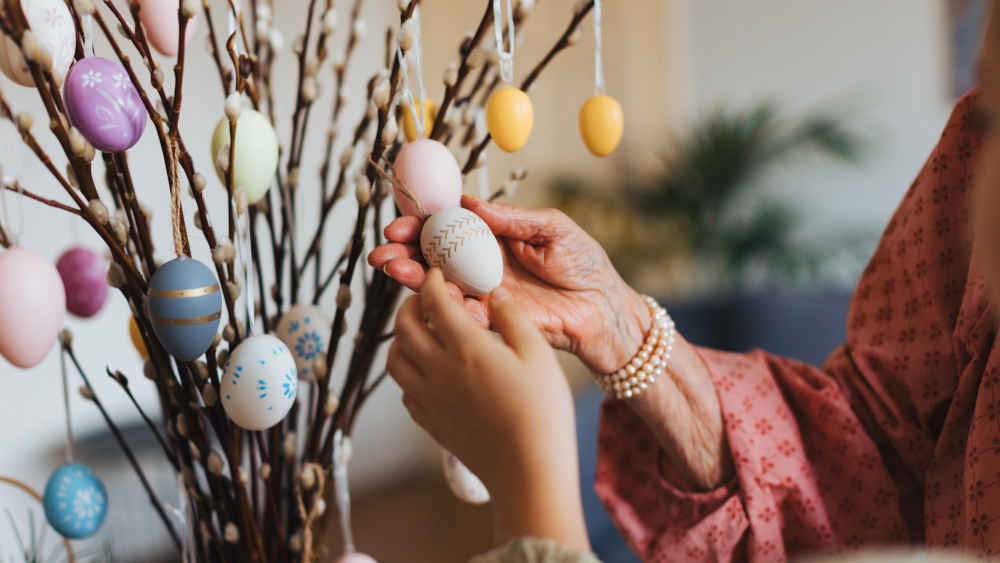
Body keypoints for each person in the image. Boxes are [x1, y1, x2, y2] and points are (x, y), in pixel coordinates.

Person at [369, 6, 1000, 562]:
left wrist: (531, 473)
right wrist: (616, 323)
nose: (979, 171)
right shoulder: (969, 172)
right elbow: (875, 455)